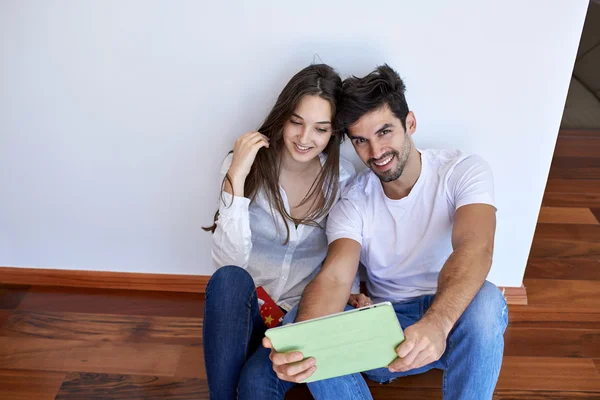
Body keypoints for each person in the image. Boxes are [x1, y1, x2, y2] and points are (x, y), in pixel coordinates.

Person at [264, 64, 508, 399]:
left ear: (410, 123)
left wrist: (436, 324)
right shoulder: (353, 199)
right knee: (301, 322)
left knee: (488, 300)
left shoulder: (462, 171)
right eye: (361, 141)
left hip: (450, 321)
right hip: (386, 331)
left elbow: (475, 248)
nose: (375, 152)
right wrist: (303, 342)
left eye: (384, 132)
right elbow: (335, 276)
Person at [202, 64, 373, 400]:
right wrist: (237, 175)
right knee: (228, 280)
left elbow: (345, 245)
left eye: (320, 129)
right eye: (297, 122)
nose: (305, 138)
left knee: (254, 383)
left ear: (333, 134)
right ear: (282, 117)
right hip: (247, 313)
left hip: (298, 318)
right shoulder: (245, 165)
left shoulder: (341, 180)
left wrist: (353, 288)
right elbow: (228, 263)